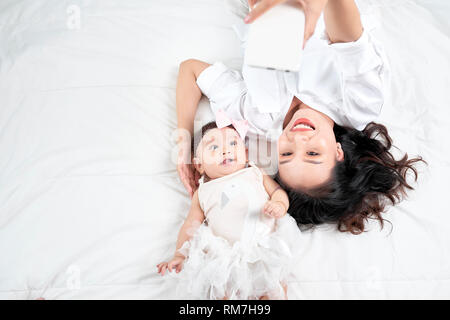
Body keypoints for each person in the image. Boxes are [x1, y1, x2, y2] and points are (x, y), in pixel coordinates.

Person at [176, 0, 424, 234]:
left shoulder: (259, 116)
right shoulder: (358, 107)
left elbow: (190, 70)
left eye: (286, 154)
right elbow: (350, 42)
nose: (297, 140)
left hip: (267, 8)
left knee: (267, 92)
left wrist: (184, 145)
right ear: (339, 152)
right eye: (313, 153)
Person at [158, 118, 301, 299]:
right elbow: (190, 225)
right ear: (199, 165)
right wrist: (179, 255)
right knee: (221, 292)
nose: (225, 150)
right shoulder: (202, 192)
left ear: (246, 153)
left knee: (275, 289)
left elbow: (278, 191)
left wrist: (280, 204)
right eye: (214, 147)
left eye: (233, 143)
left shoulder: (255, 173)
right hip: (227, 259)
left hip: (264, 248)